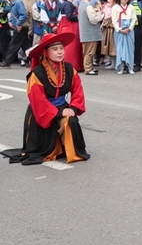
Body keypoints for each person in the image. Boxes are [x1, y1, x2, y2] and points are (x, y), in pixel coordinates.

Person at [0, 33, 89, 165]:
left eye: (61, 48)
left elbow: (78, 92)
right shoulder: (37, 73)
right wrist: (58, 113)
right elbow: (38, 101)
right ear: (46, 52)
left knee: (70, 121)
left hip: (62, 106)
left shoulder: (69, 69)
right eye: (55, 49)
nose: (60, 52)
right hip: (41, 110)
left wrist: (72, 109)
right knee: (47, 129)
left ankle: (68, 149)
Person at [77, 0, 104, 76]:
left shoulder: (81, 5)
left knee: (87, 51)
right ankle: (88, 69)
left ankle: (89, 67)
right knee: (90, 52)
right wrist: (101, 14)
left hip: (85, 32)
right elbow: (93, 19)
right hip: (90, 33)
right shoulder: (88, 6)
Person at [0, 0, 29, 68]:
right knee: (26, 46)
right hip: (19, 26)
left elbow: (23, 15)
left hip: (20, 27)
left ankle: (7, 61)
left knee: (13, 44)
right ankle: (32, 59)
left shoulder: (18, 3)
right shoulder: (14, 3)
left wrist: (18, 24)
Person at [113, 0, 136, 75]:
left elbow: (134, 19)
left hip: (129, 31)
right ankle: (120, 67)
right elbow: (114, 21)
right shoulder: (115, 8)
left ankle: (130, 66)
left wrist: (129, 28)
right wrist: (120, 29)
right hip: (119, 31)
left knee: (129, 49)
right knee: (120, 49)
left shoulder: (131, 8)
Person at [101, 0, 117, 69]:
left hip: (113, 28)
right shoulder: (106, 7)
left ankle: (115, 63)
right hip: (106, 27)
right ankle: (111, 62)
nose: (109, 0)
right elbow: (103, 17)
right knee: (109, 46)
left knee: (113, 46)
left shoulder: (116, 7)